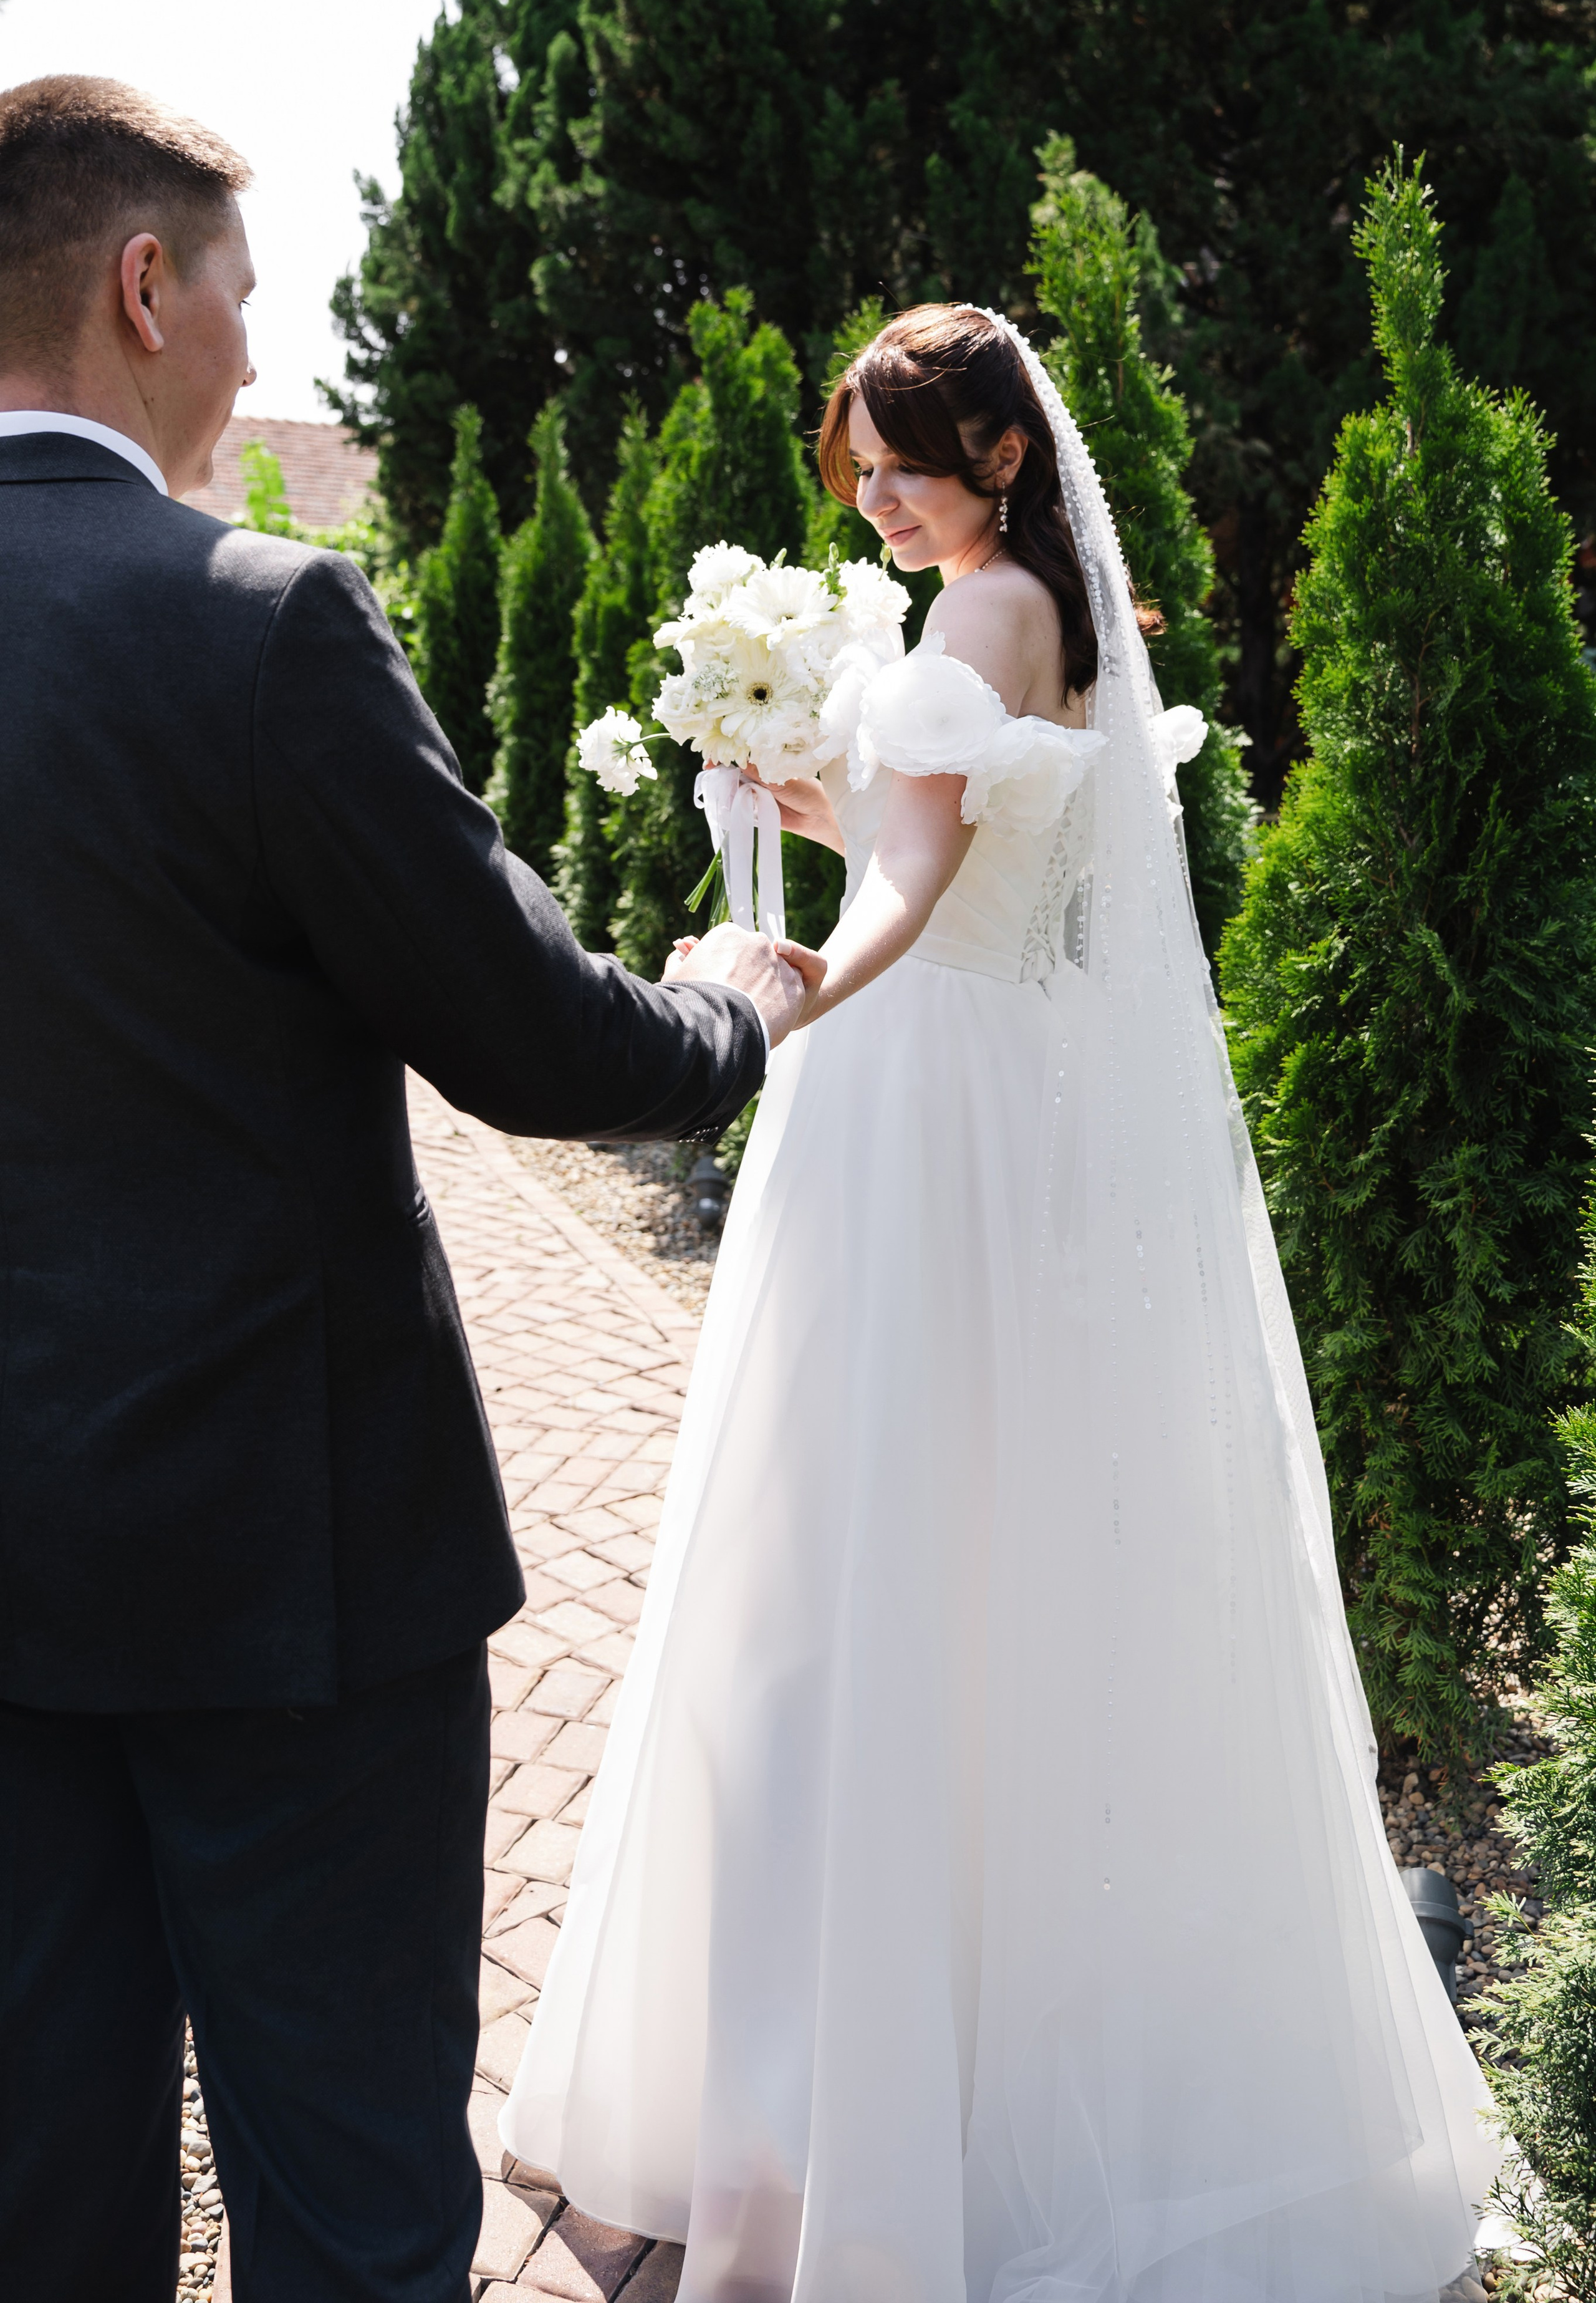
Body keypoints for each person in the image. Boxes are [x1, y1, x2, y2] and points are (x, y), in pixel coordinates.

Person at [501, 305, 1501, 2301]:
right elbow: (936, 848)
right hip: (976, 1113)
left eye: (904, 466)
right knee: (942, 1568)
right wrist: (798, 794)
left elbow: (908, 901)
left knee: (849, 1577)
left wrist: (782, 992)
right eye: (857, 469)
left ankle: (843, 2128)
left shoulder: (971, 633)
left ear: (1005, 459)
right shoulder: (1028, 613)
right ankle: (914, 2071)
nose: (873, 501)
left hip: (908, 1122)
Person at [0, 74, 808, 2303]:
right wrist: (734, 1005)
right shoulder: (258, 621)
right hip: (289, 1564)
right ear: (142, 287)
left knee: (34, 2189)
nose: (258, 359)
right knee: (350, 2197)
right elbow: (541, 1043)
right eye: (243, 301)